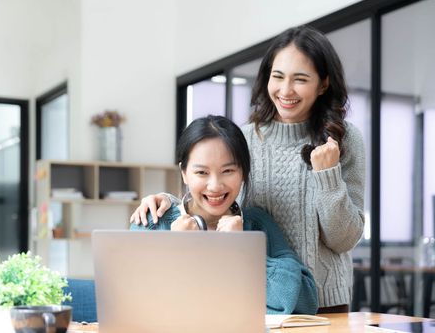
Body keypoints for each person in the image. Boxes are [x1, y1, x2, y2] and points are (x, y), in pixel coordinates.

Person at [131, 25, 365, 313]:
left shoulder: (342, 139)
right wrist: (170, 203)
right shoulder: (246, 138)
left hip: (322, 299)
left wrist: (327, 176)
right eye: (277, 77)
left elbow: (344, 239)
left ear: (323, 83)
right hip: (257, 298)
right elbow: (220, 202)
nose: (286, 90)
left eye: (300, 79)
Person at [131, 115, 318, 315]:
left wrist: (243, 250)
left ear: (243, 173)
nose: (215, 186)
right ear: (184, 173)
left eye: (227, 170)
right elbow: (131, 305)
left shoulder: (257, 224)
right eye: (202, 173)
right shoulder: (152, 221)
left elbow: (307, 303)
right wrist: (175, 249)